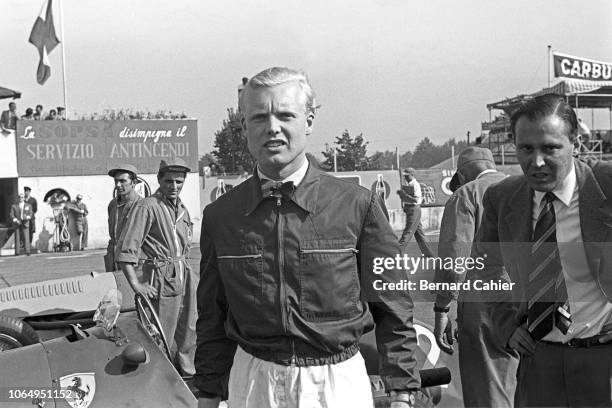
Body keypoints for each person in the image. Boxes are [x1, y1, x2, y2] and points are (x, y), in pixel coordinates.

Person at [195, 67, 420, 408]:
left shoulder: (357, 205)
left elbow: (393, 305)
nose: (272, 127)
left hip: (335, 383)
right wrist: (210, 393)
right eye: (258, 117)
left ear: (309, 121)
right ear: (244, 127)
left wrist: (402, 391)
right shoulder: (221, 216)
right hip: (254, 383)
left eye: (285, 115)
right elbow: (213, 313)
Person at [473, 94, 612, 407]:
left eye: (550, 148)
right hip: (540, 361)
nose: (536, 162)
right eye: (526, 149)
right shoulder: (503, 197)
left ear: (574, 142)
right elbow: (483, 267)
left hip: (605, 362)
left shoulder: (606, 183)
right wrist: (506, 324)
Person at [431, 147, 518, 407]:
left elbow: (455, 256)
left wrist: (441, 308)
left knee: (488, 390)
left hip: (485, 306)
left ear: (463, 173)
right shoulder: (525, 190)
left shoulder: (467, 194)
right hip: (534, 302)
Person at [117, 158, 197, 377]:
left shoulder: (182, 209)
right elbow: (126, 249)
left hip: (184, 276)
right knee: (160, 333)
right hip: (160, 278)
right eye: (169, 181)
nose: (174, 186)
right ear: (159, 180)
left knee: (188, 330)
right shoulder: (147, 206)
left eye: (179, 182)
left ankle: (188, 378)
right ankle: (158, 379)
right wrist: (136, 284)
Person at [105, 164, 141, 272]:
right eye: (116, 181)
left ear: (134, 182)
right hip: (114, 262)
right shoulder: (113, 205)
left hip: (135, 264)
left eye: (122, 181)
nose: (118, 185)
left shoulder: (142, 206)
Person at [397, 168, 434, 257]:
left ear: (412, 175)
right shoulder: (409, 184)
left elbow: (416, 199)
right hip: (411, 209)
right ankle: (428, 253)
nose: (405, 177)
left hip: (414, 209)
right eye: (405, 175)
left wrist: (404, 195)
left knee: (408, 232)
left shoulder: (415, 185)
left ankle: (397, 253)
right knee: (419, 233)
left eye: (407, 175)